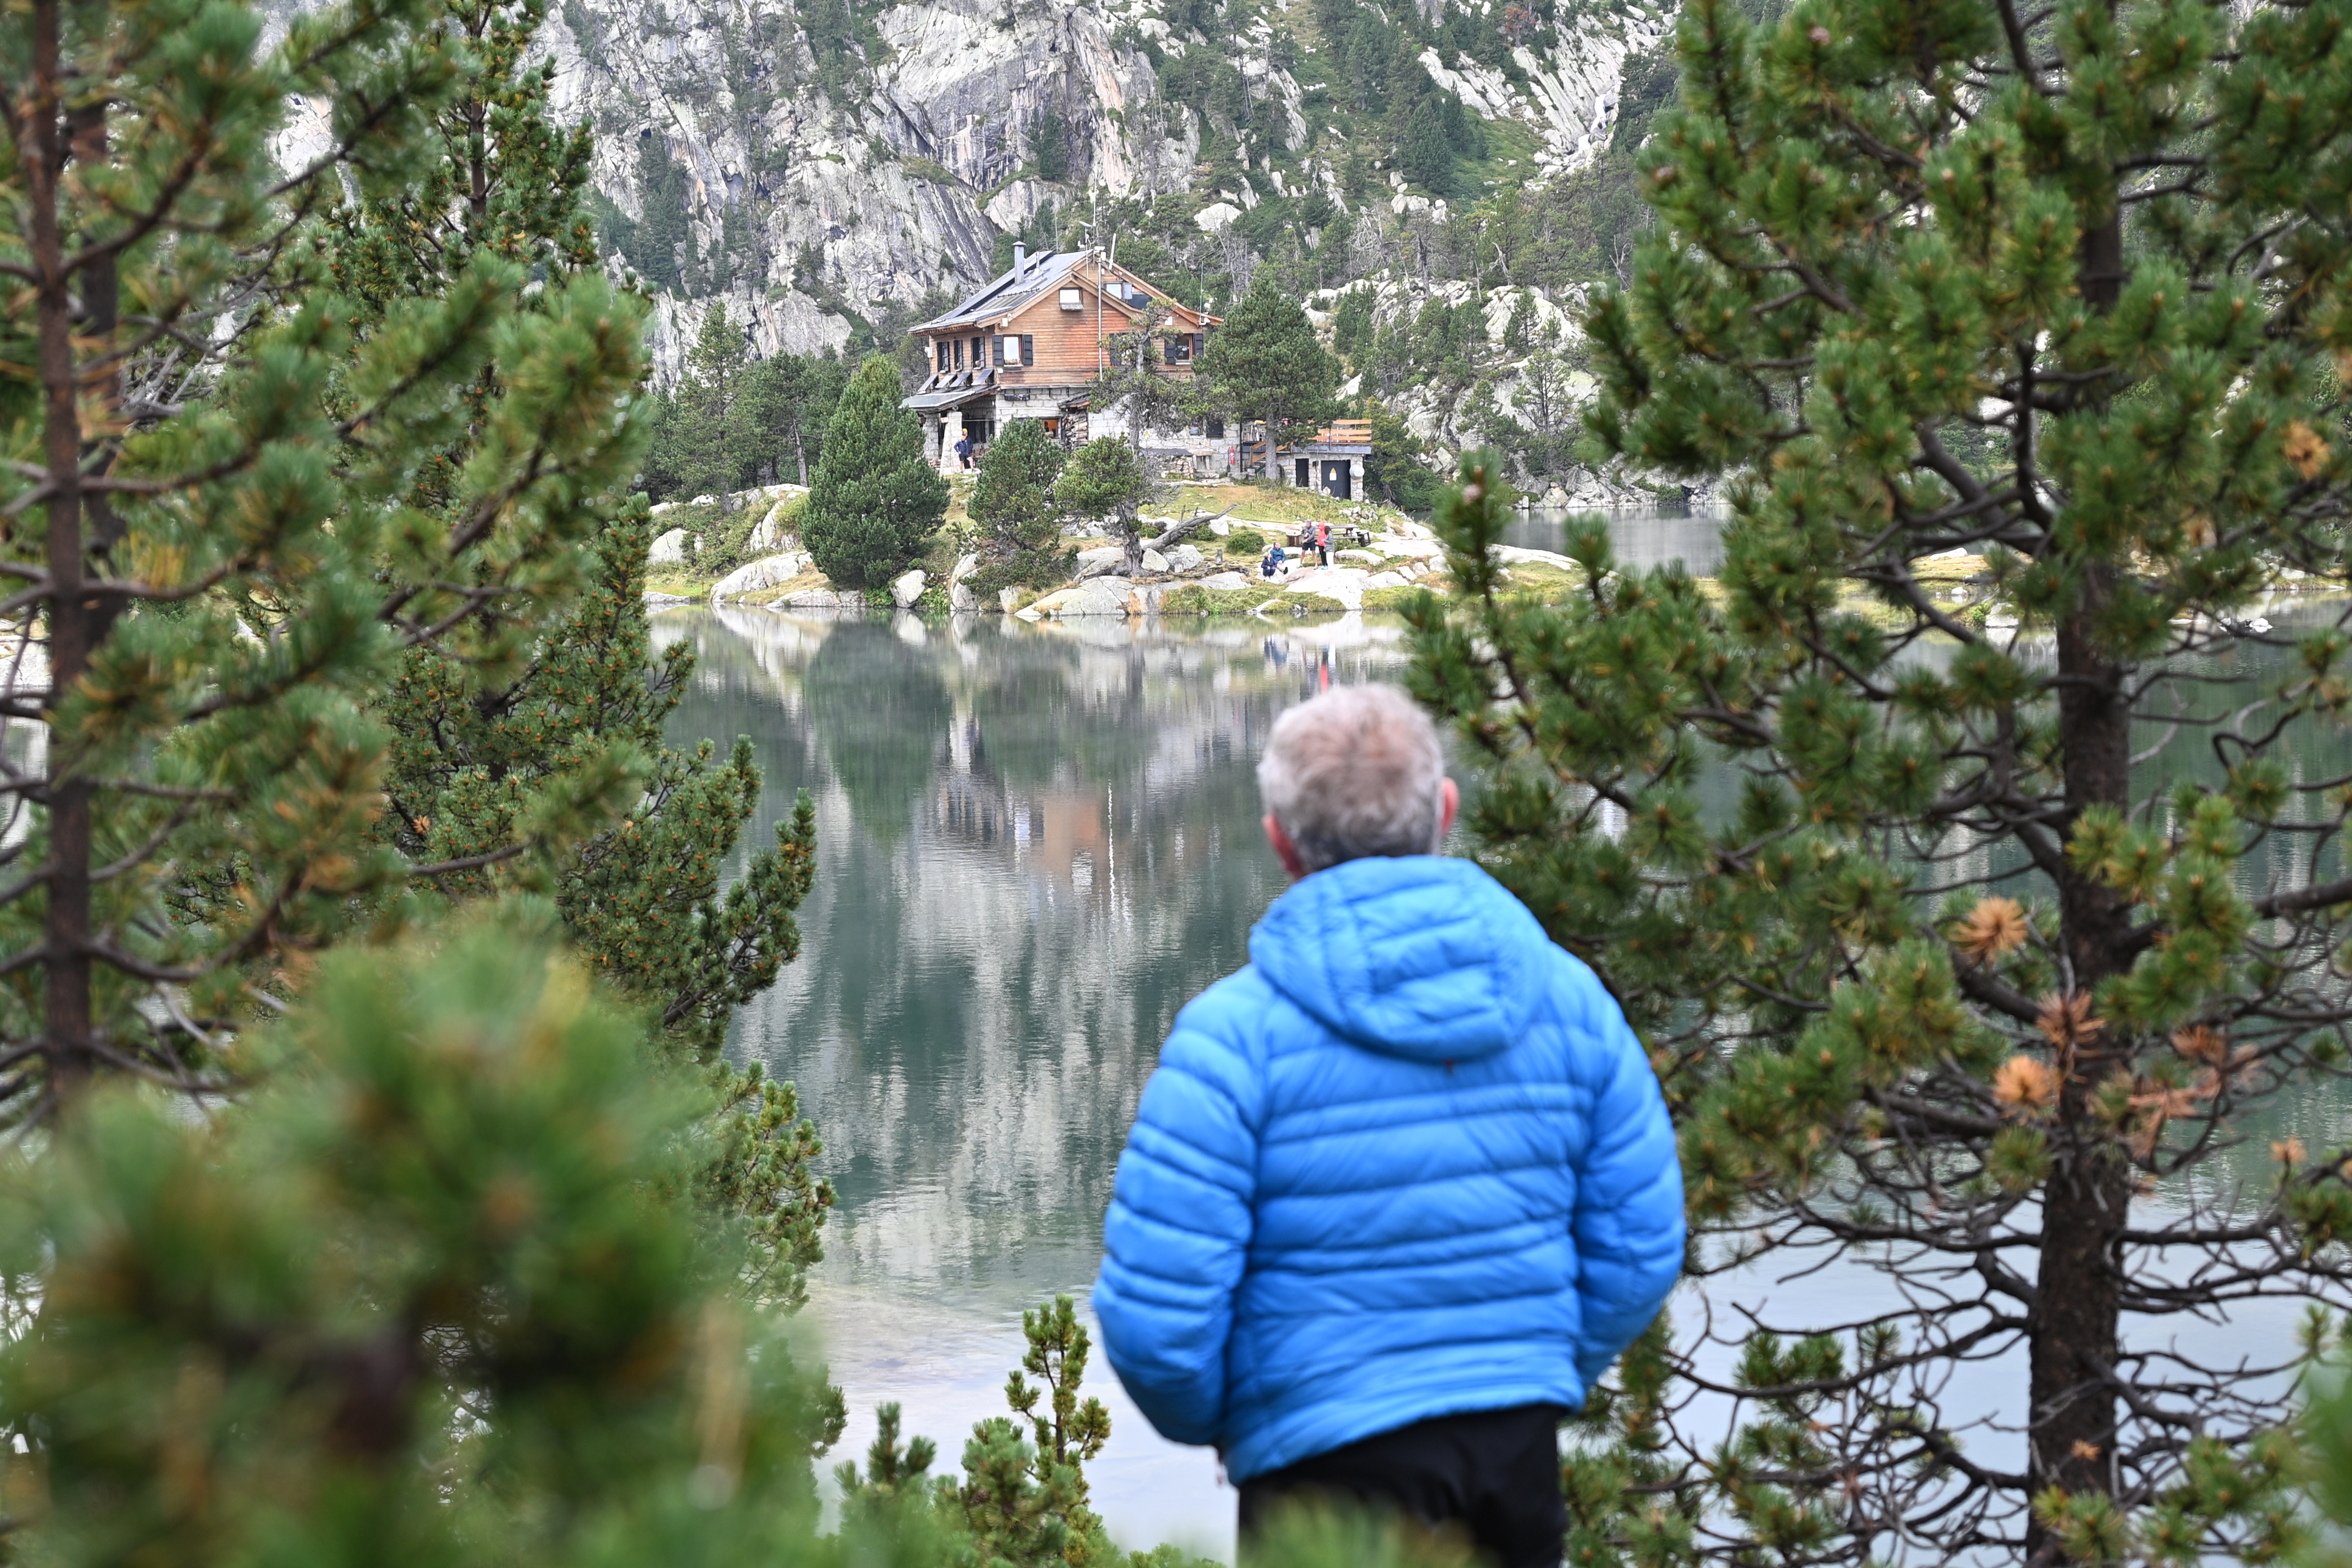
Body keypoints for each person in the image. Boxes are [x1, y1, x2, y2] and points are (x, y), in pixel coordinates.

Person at [1093, 684, 1684, 1568]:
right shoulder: (1573, 1005)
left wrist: (1255, 1418)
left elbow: (1157, 1321)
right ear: (1445, 810)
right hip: (1514, 1462)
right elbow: (1641, 1250)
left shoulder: (1230, 1040)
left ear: (1280, 841)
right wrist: (1526, 1375)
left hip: (1317, 1475)